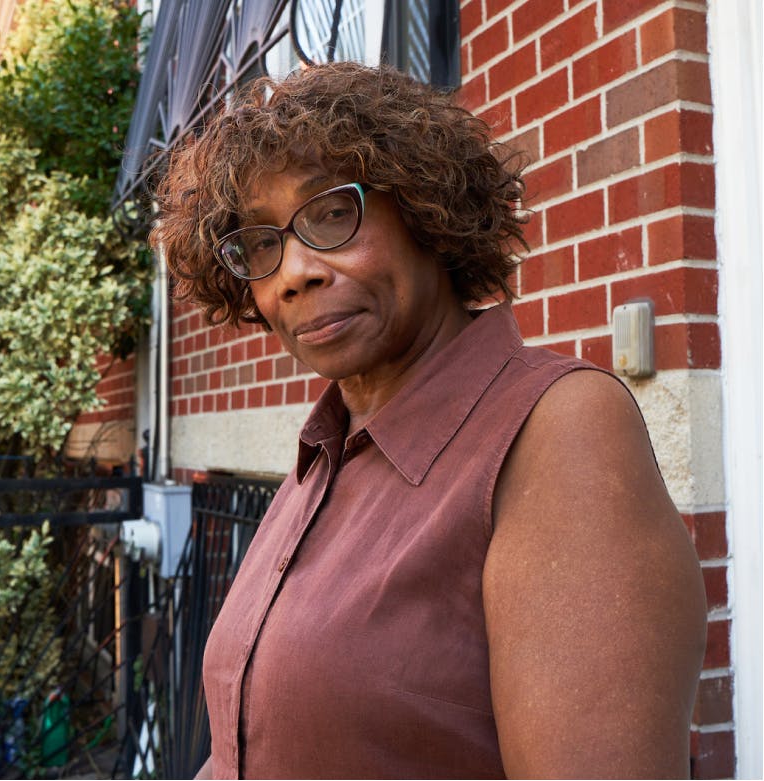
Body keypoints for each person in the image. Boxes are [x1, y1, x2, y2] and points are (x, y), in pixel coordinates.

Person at [152, 62, 707, 779]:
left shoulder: (556, 433)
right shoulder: (323, 454)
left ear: (426, 210)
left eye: (331, 213)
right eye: (261, 243)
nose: (293, 273)